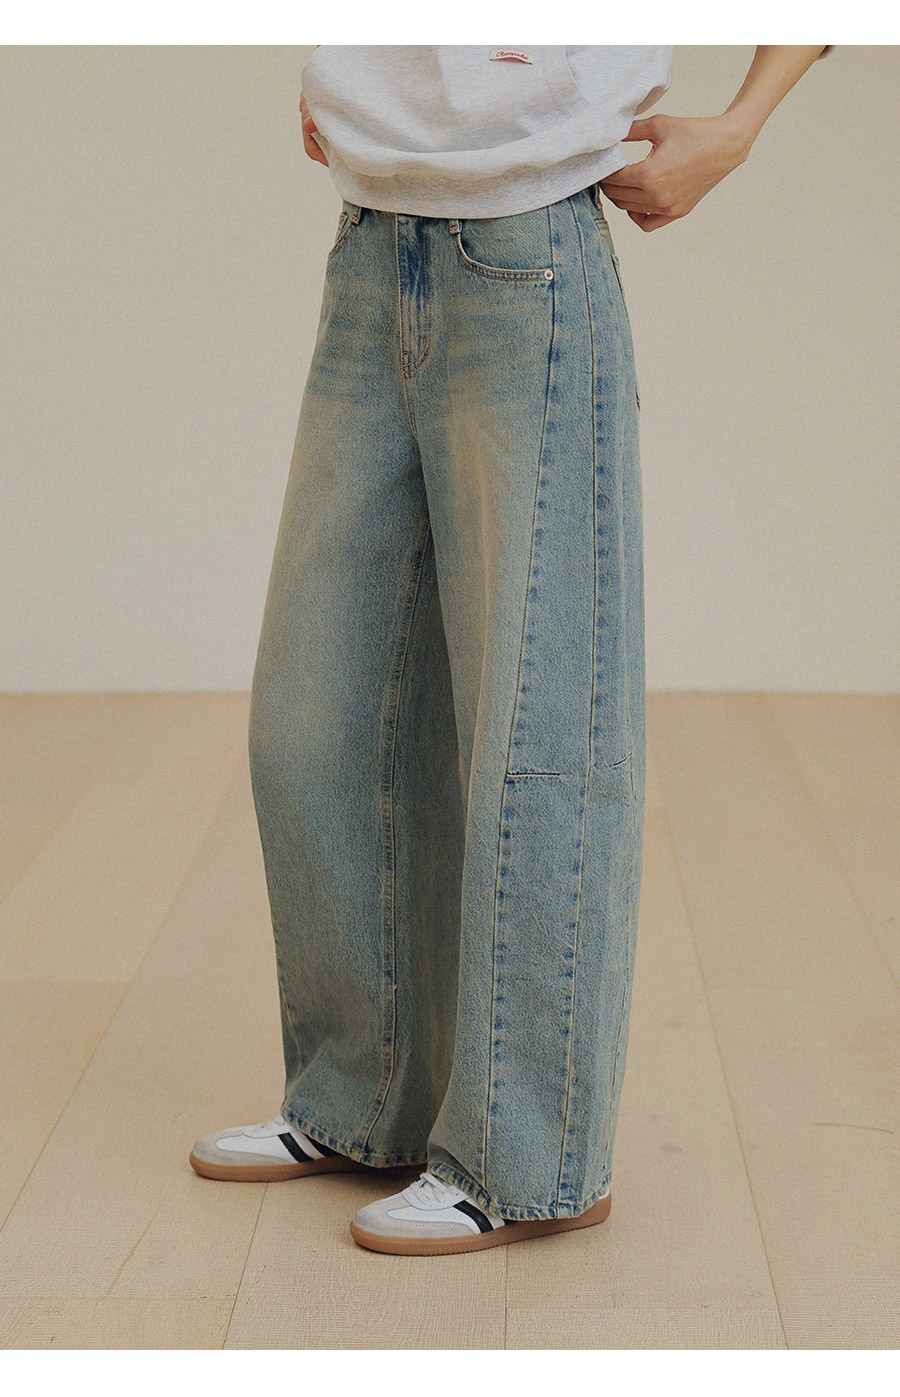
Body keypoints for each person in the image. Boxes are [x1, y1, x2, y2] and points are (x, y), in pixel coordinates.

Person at [190, 44, 832, 1258]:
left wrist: (741, 123)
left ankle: (532, 1159)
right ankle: (360, 1096)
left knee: (540, 729)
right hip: (371, 244)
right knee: (319, 716)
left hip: (529, 250)